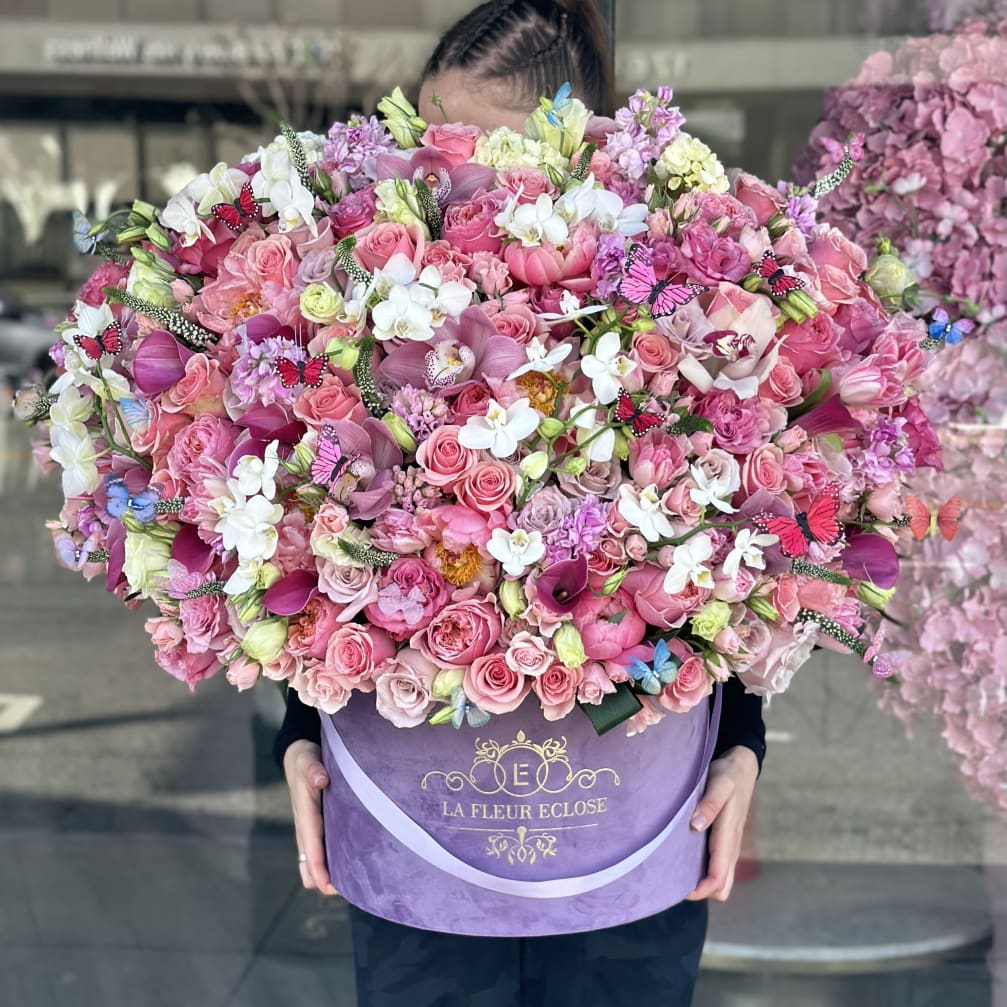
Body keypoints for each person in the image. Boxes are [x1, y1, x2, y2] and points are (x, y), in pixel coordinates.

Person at [275, 2, 765, 1003]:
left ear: (574, 144)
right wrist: (295, 726)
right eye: (432, 146)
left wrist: (742, 737)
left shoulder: (665, 299)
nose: (454, 186)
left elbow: (746, 537)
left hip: (625, 830)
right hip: (422, 844)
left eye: (487, 156)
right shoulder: (372, 298)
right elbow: (300, 535)